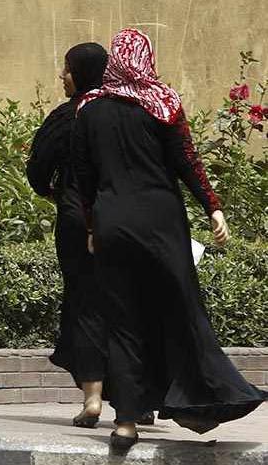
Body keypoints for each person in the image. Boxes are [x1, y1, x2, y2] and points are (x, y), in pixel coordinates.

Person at [72, 28, 267, 449]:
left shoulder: (88, 109)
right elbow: (187, 162)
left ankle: (125, 422)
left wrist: (91, 227)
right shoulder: (163, 102)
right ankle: (207, 400)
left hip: (112, 222)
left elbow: (84, 179)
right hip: (161, 221)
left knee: (121, 323)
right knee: (183, 310)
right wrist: (212, 206)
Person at [27, 43, 111, 428]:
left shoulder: (67, 115)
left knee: (85, 304)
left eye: (66, 70)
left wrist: (54, 192)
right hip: (124, 220)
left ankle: (92, 398)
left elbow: (38, 168)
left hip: (76, 220)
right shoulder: (125, 112)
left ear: (79, 73)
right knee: (126, 303)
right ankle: (135, 398)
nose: (62, 77)